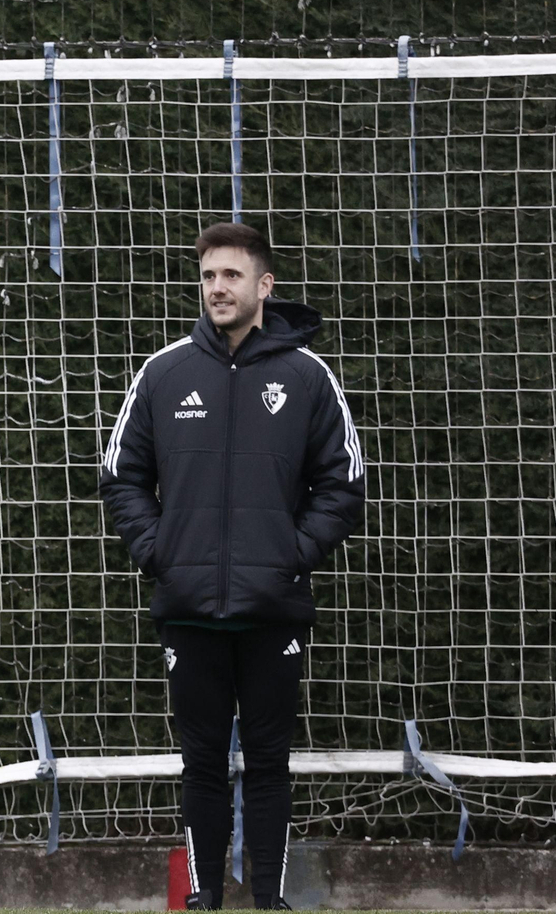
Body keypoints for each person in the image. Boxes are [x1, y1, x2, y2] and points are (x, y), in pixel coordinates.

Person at [99, 222, 365, 911]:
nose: (218, 288)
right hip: (188, 610)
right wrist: (161, 553)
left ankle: (269, 901)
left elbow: (344, 484)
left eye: (232, 276)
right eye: (209, 276)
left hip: (272, 608)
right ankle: (204, 897)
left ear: (263, 287)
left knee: (270, 766)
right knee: (203, 767)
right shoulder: (163, 373)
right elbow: (120, 477)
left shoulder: (309, 377)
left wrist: (290, 559)